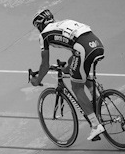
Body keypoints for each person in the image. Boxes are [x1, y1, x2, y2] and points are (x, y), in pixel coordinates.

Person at [30, 8, 106, 141]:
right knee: (79, 71)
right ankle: (98, 96)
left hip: (82, 49)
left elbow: (45, 65)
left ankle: (95, 125)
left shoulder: (44, 35)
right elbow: (75, 52)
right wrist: (67, 68)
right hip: (97, 44)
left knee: (76, 87)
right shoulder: (63, 23)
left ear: (39, 25)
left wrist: (37, 80)